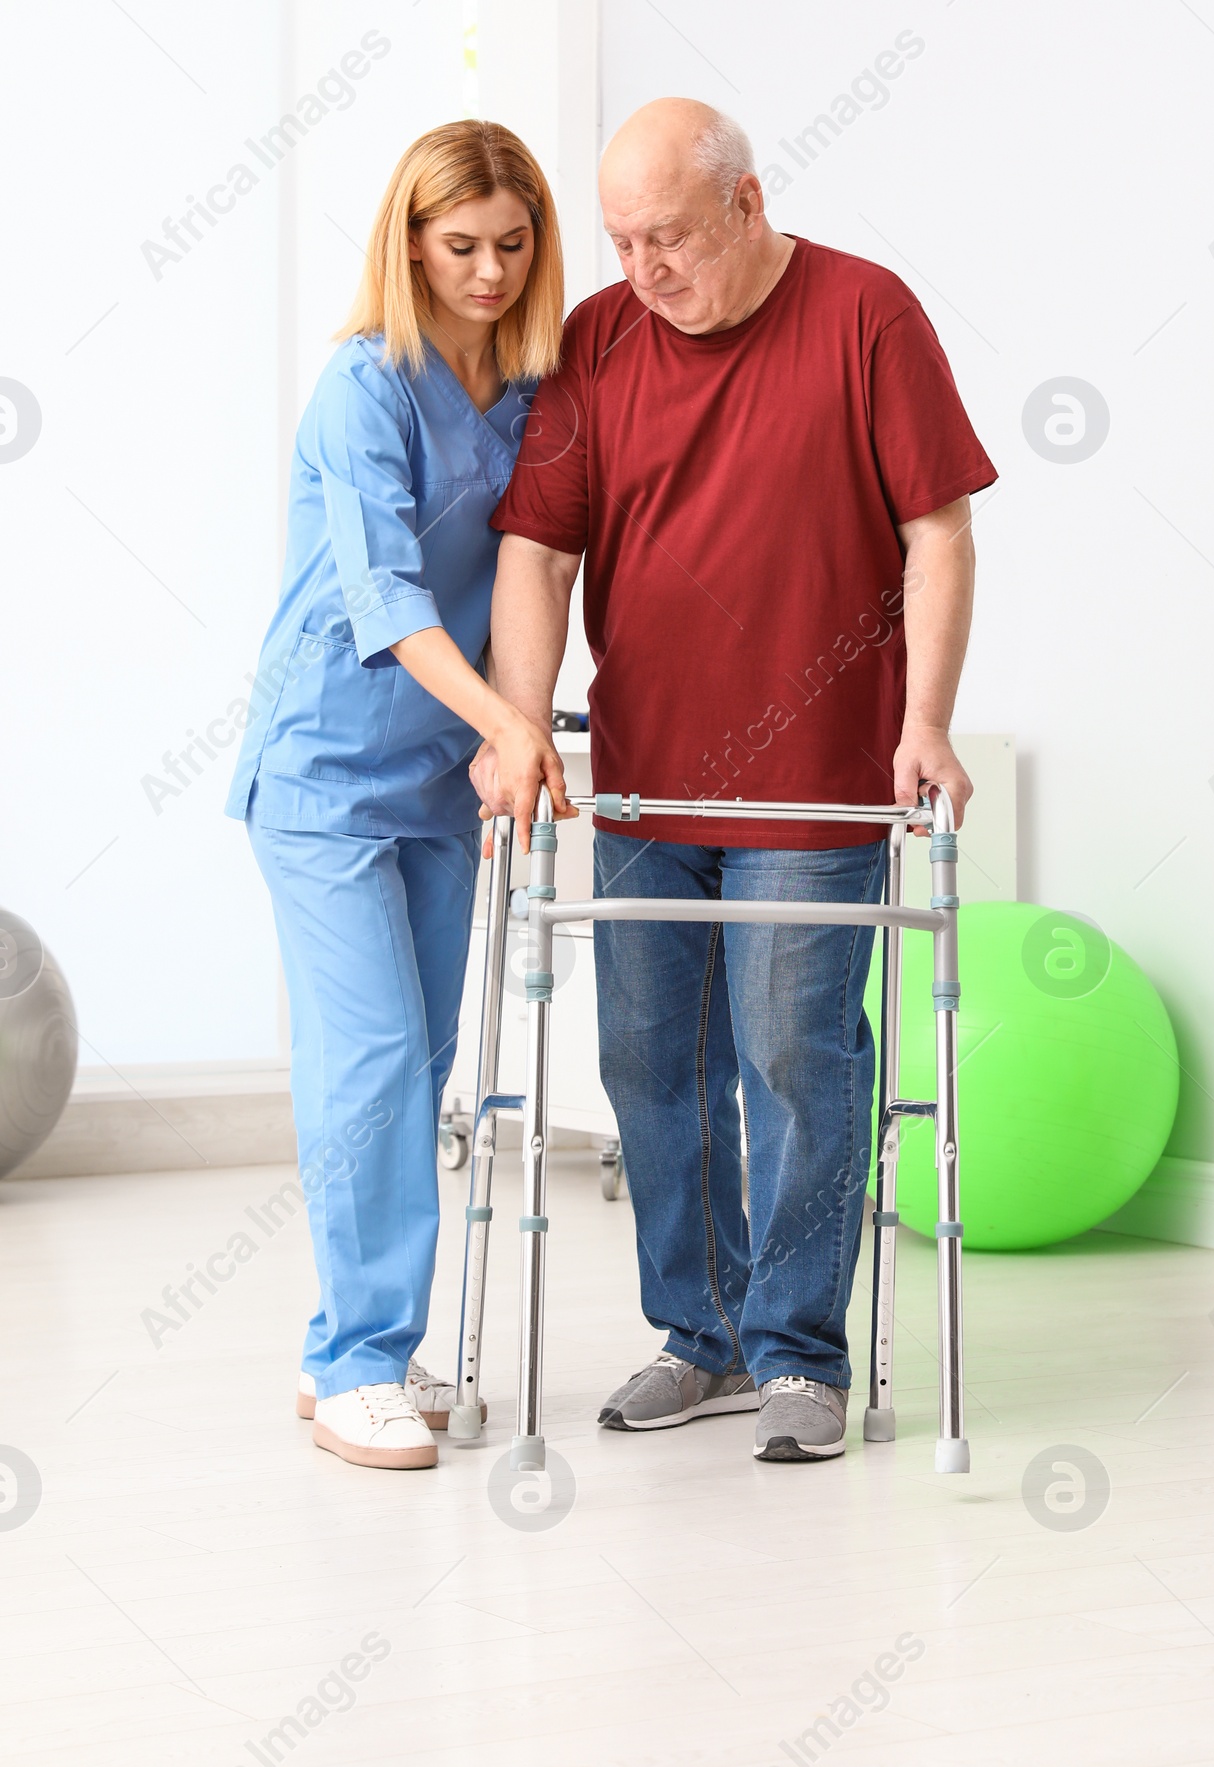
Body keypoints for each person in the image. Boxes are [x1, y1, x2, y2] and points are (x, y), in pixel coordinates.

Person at [476, 97, 996, 1462]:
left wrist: (928, 720)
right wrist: (522, 722)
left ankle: (799, 1357)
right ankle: (696, 1337)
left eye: (669, 239)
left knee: (793, 1051)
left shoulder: (866, 315)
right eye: (622, 240)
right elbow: (538, 549)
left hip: (818, 787)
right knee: (653, 1059)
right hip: (649, 783)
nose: (643, 269)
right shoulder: (598, 340)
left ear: (747, 208)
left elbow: (937, 534)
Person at [228, 121, 565, 1471]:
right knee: (366, 1065)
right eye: (459, 247)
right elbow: (387, 595)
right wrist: (508, 723)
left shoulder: (535, 393)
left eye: (511, 245)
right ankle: (355, 1356)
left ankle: (357, 1345)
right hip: (323, 770)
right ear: (410, 245)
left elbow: (538, 572)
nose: (487, 273)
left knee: (412, 1069)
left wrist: (500, 732)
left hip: (440, 774)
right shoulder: (361, 388)